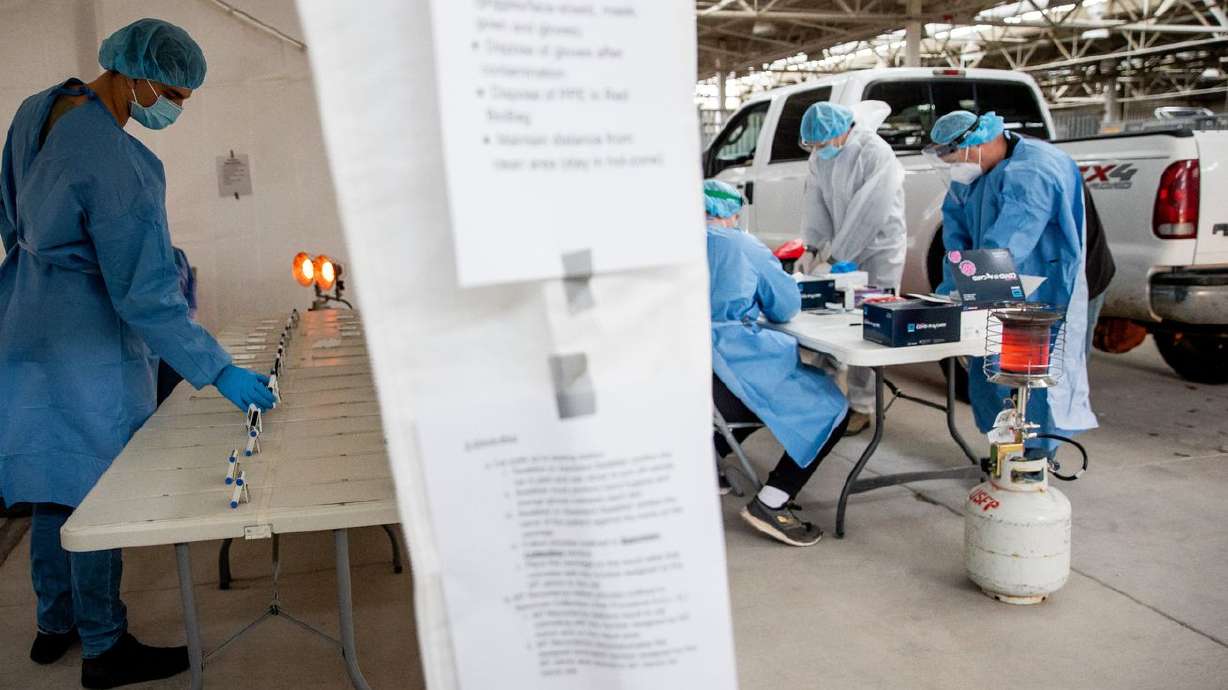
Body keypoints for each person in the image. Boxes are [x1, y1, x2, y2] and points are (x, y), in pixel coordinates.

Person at [0, 18, 276, 688]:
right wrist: (218, 369)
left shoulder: (38, 111)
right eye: (176, 94)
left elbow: (14, 215)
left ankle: (53, 624)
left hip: (26, 323)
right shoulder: (121, 163)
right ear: (140, 73)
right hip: (86, 346)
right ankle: (104, 646)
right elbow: (146, 297)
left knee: (50, 488)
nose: (177, 108)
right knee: (97, 494)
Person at [925, 110, 1097, 458]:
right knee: (991, 363)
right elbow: (955, 234)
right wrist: (952, 287)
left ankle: (1036, 459)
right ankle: (1004, 448)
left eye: (956, 156)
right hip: (1000, 279)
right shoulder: (971, 173)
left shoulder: (1034, 170)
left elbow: (1009, 243)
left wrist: (975, 283)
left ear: (982, 142)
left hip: (1055, 279)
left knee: (1035, 372)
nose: (955, 166)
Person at [705, 179, 851, 547]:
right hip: (731, 359)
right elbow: (785, 306)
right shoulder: (741, 245)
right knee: (831, 409)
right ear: (731, 214)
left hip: (692, 371)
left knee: (747, 402)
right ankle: (773, 501)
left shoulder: (669, 245)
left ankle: (705, 463)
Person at [798, 102, 906, 435]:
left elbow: (869, 211)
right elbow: (815, 202)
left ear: (842, 130)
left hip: (879, 250)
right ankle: (822, 400)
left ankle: (861, 406)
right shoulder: (821, 156)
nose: (818, 149)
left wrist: (834, 257)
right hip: (842, 247)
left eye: (822, 142)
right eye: (813, 145)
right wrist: (812, 247)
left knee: (872, 327)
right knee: (830, 321)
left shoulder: (874, 152)